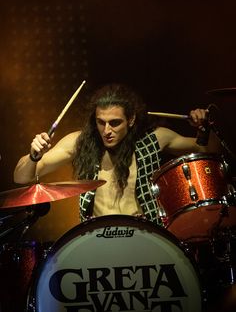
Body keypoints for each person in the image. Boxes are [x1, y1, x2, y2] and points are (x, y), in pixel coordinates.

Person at [14, 83, 221, 225]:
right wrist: (34, 155)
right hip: (97, 240)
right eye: (100, 122)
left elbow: (209, 150)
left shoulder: (155, 138)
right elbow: (21, 177)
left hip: (147, 236)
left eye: (115, 123)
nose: (106, 130)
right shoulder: (79, 142)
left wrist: (205, 127)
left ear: (130, 120)